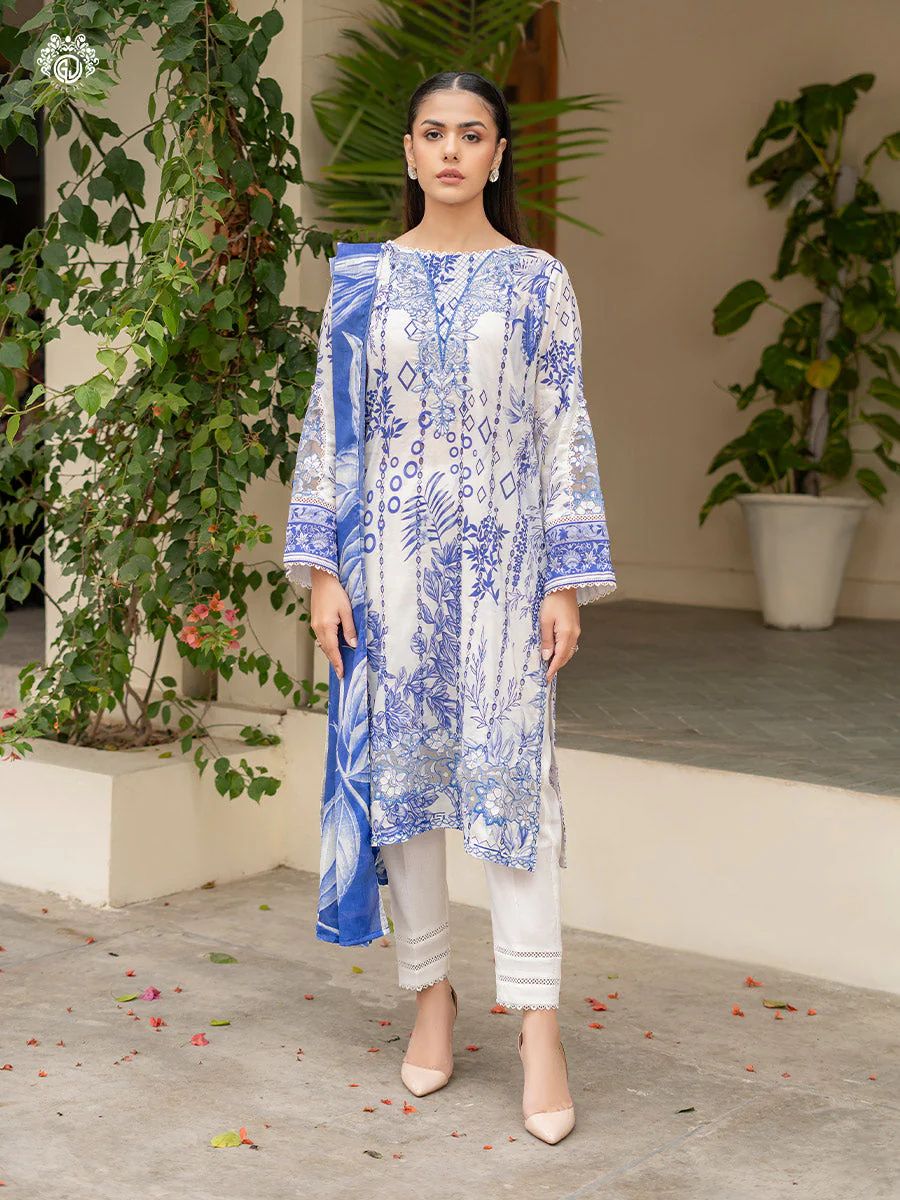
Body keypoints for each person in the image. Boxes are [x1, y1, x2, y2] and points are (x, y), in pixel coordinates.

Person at [283, 70, 616, 1145]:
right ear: (411, 152)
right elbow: (329, 426)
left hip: (506, 579)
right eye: (434, 133)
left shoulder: (538, 282)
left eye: (473, 135)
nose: (452, 152)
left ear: (499, 154)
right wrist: (324, 571)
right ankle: (431, 993)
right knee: (405, 794)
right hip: (385, 576)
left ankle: (538, 1023)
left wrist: (564, 580)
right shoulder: (364, 282)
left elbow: (565, 430)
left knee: (514, 794)